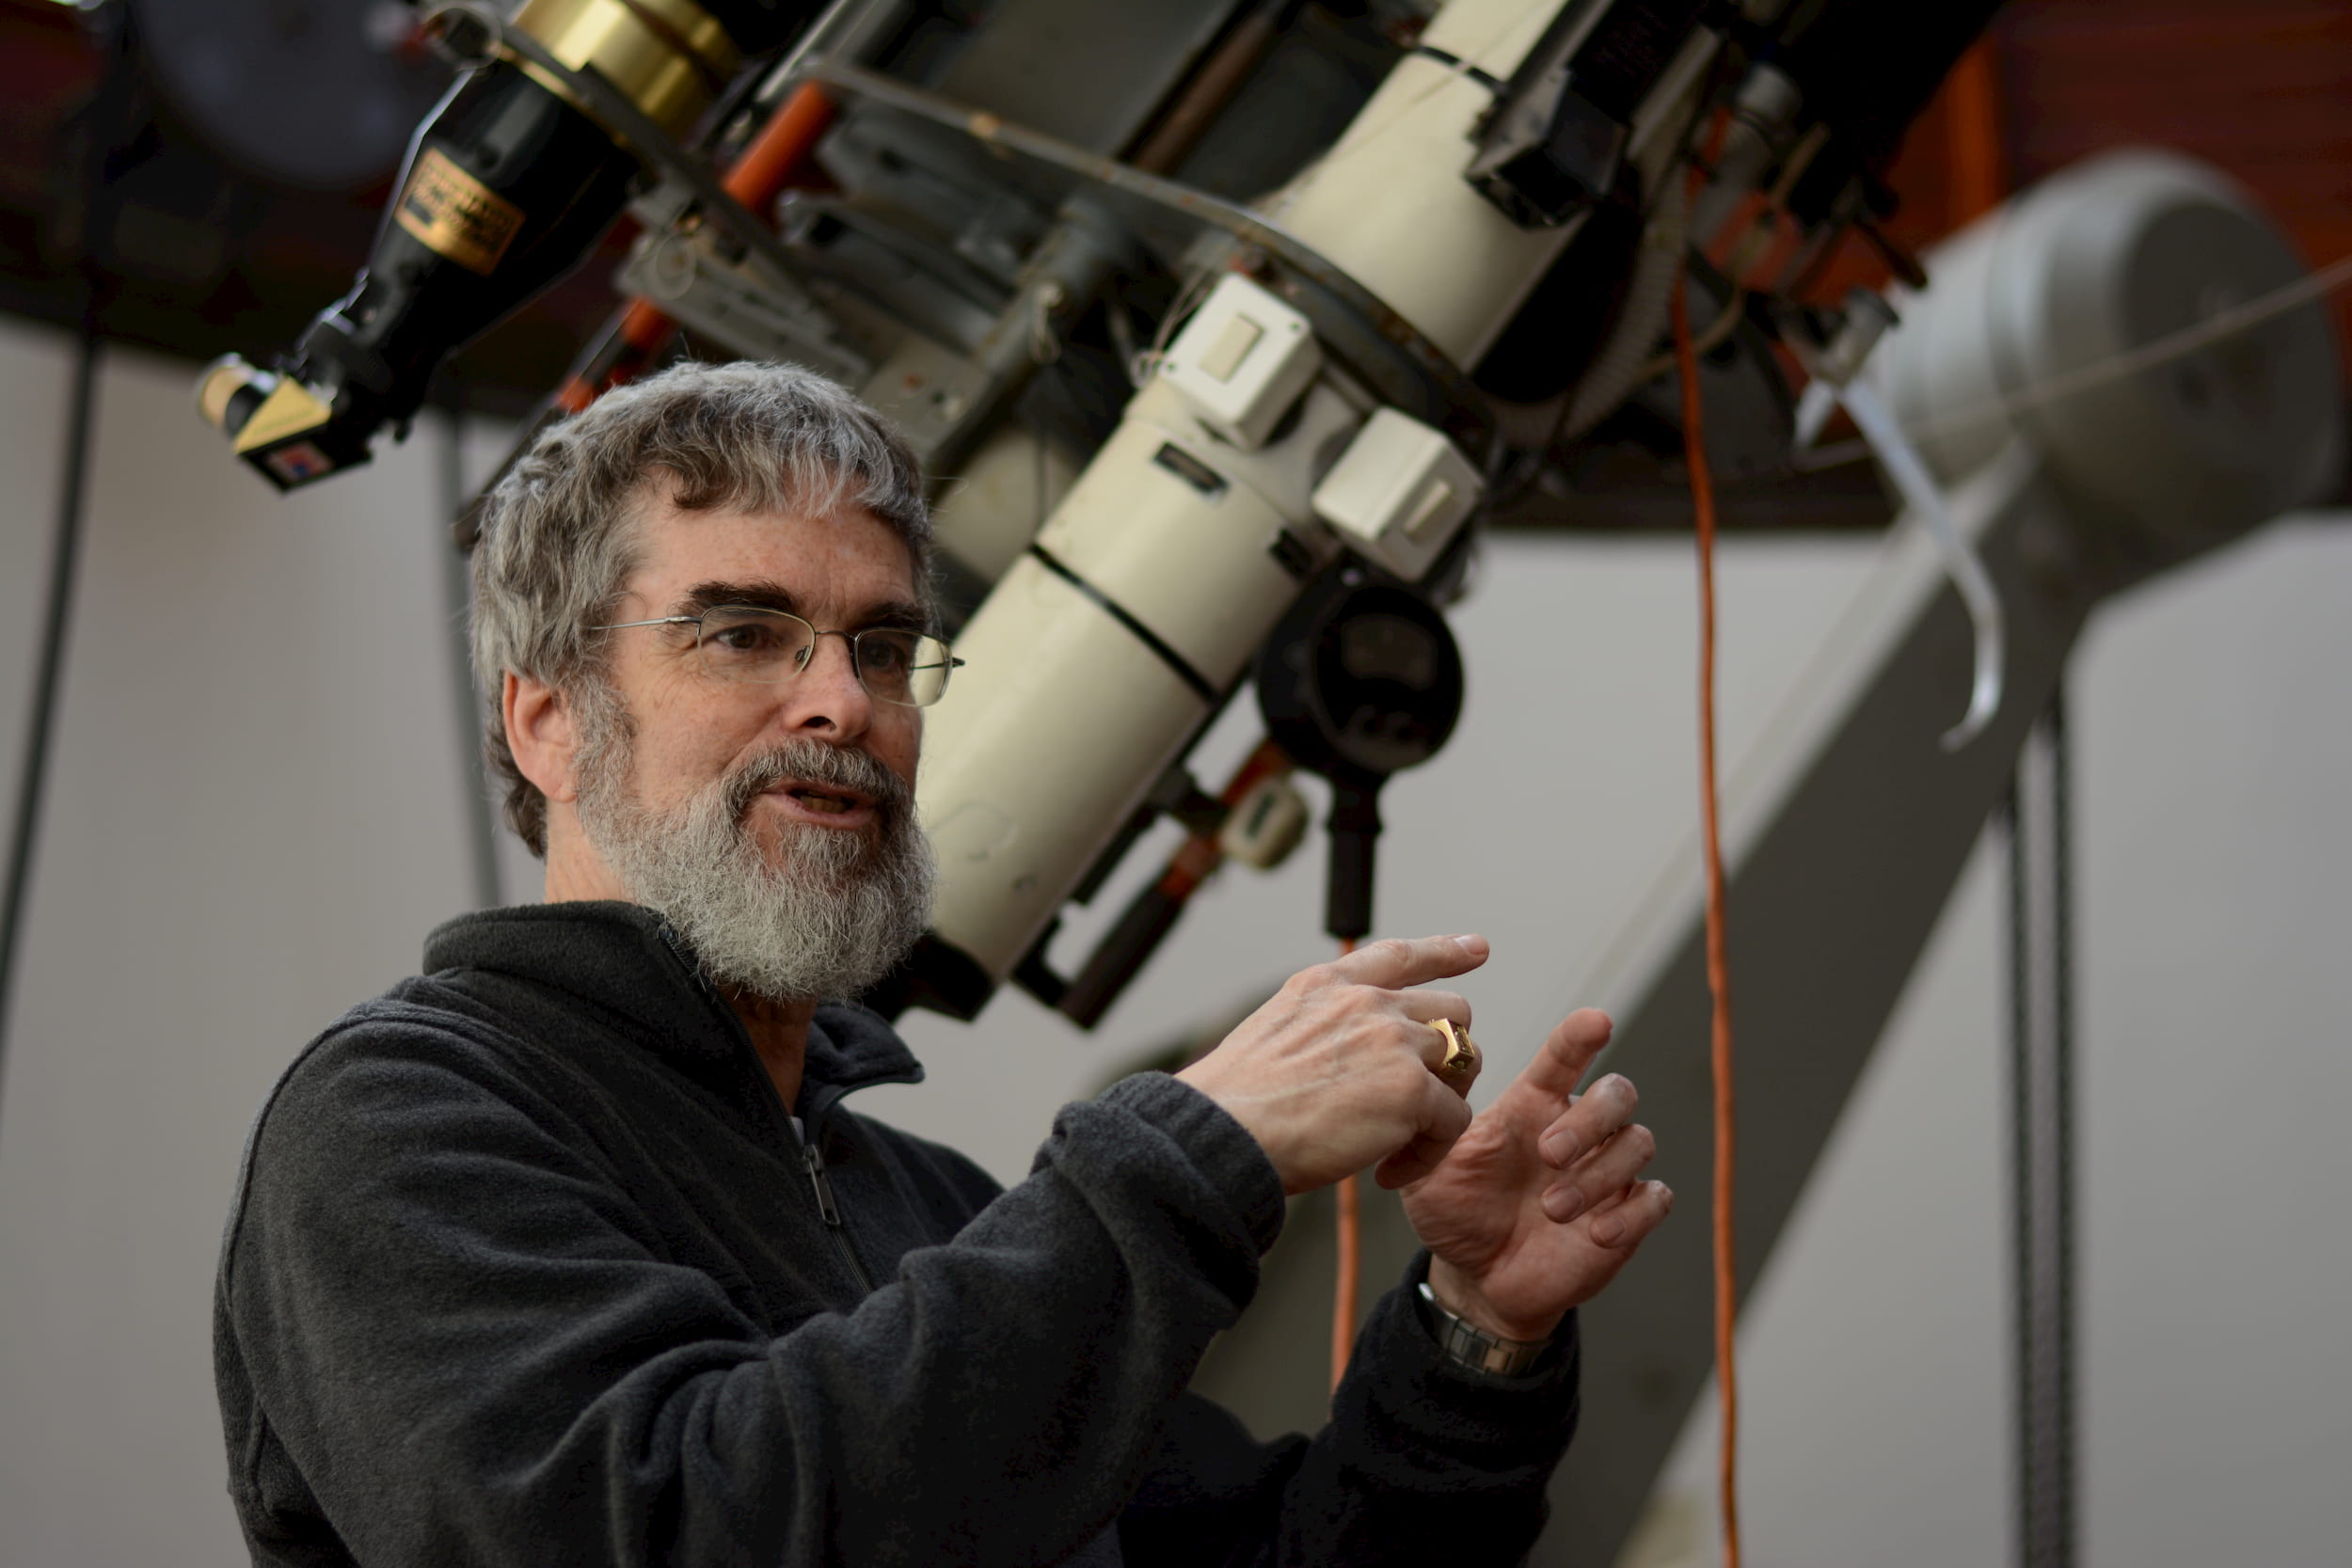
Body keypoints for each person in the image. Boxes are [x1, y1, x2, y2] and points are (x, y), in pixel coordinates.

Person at [213, 360, 1672, 1567]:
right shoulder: (401, 1120)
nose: (843, 701)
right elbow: (663, 1533)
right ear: (550, 722)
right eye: (743, 632)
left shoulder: (926, 1205)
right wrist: (1192, 1151)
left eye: (886, 647)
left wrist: (1475, 1331)